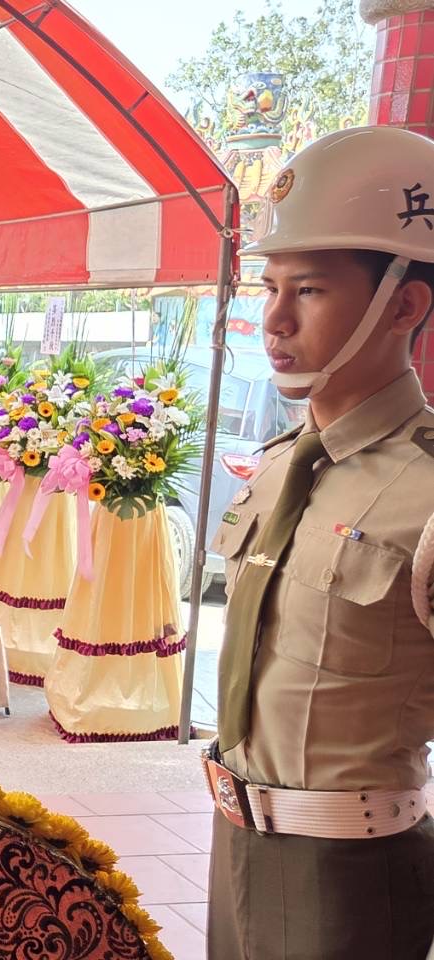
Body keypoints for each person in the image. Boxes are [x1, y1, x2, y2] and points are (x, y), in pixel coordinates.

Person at [203, 125, 434, 960]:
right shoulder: (273, 468)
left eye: (307, 290)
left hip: (350, 875)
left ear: (403, 304)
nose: (273, 318)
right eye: (267, 287)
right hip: (234, 840)